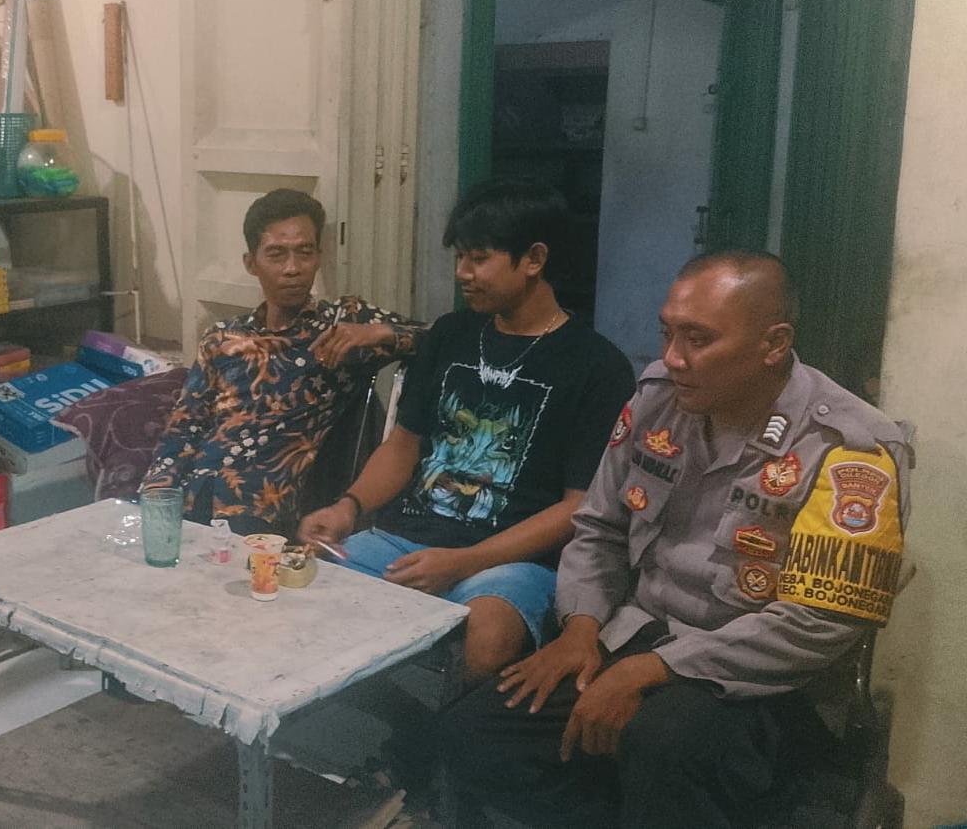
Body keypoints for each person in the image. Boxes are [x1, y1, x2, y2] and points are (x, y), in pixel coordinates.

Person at [442, 251, 912, 828]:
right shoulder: (657, 401)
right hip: (632, 634)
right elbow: (600, 527)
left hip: (758, 678)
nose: (672, 357)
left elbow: (818, 621)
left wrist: (651, 670)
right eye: (667, 333)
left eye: (698, 339)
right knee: (474, 730)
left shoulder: (849, 447)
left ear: (774, 343)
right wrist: (580, 627)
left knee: (661, 745)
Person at [299, 178, 635, 681]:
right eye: (459, 257)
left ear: (534, 259)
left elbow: (578, 507)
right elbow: (403, 446)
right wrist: (347, 507)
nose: (462, 273)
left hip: (513, 560)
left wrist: (464, 561)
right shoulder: (450, 335)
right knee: (304, 579)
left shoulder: (596, 366)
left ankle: (442, 730)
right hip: (406, 540)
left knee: (489, 634)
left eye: (478, 259)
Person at [141, 188, 421, 537]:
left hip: (260, 508)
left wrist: (378, 332)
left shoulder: (342, 323)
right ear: (251, 263)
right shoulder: (222, 337)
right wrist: (155, 493)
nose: (292, 269)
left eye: (304, 253)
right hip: (192, 494)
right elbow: (185, 426)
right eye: (276, 254)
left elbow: (443, 338)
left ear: (318, 257)